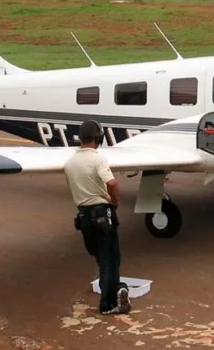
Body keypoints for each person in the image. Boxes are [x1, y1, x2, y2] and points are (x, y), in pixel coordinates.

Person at [63, 120, 131, 315]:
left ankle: (116, 288)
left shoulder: (69, 163)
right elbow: (112, 183)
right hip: (102, 214)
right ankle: (108, 304)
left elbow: (72, 187)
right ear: (99, 138)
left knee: (101, 259)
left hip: (84, 217)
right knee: (111, 260)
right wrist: (115, 201)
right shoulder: (97, 159)